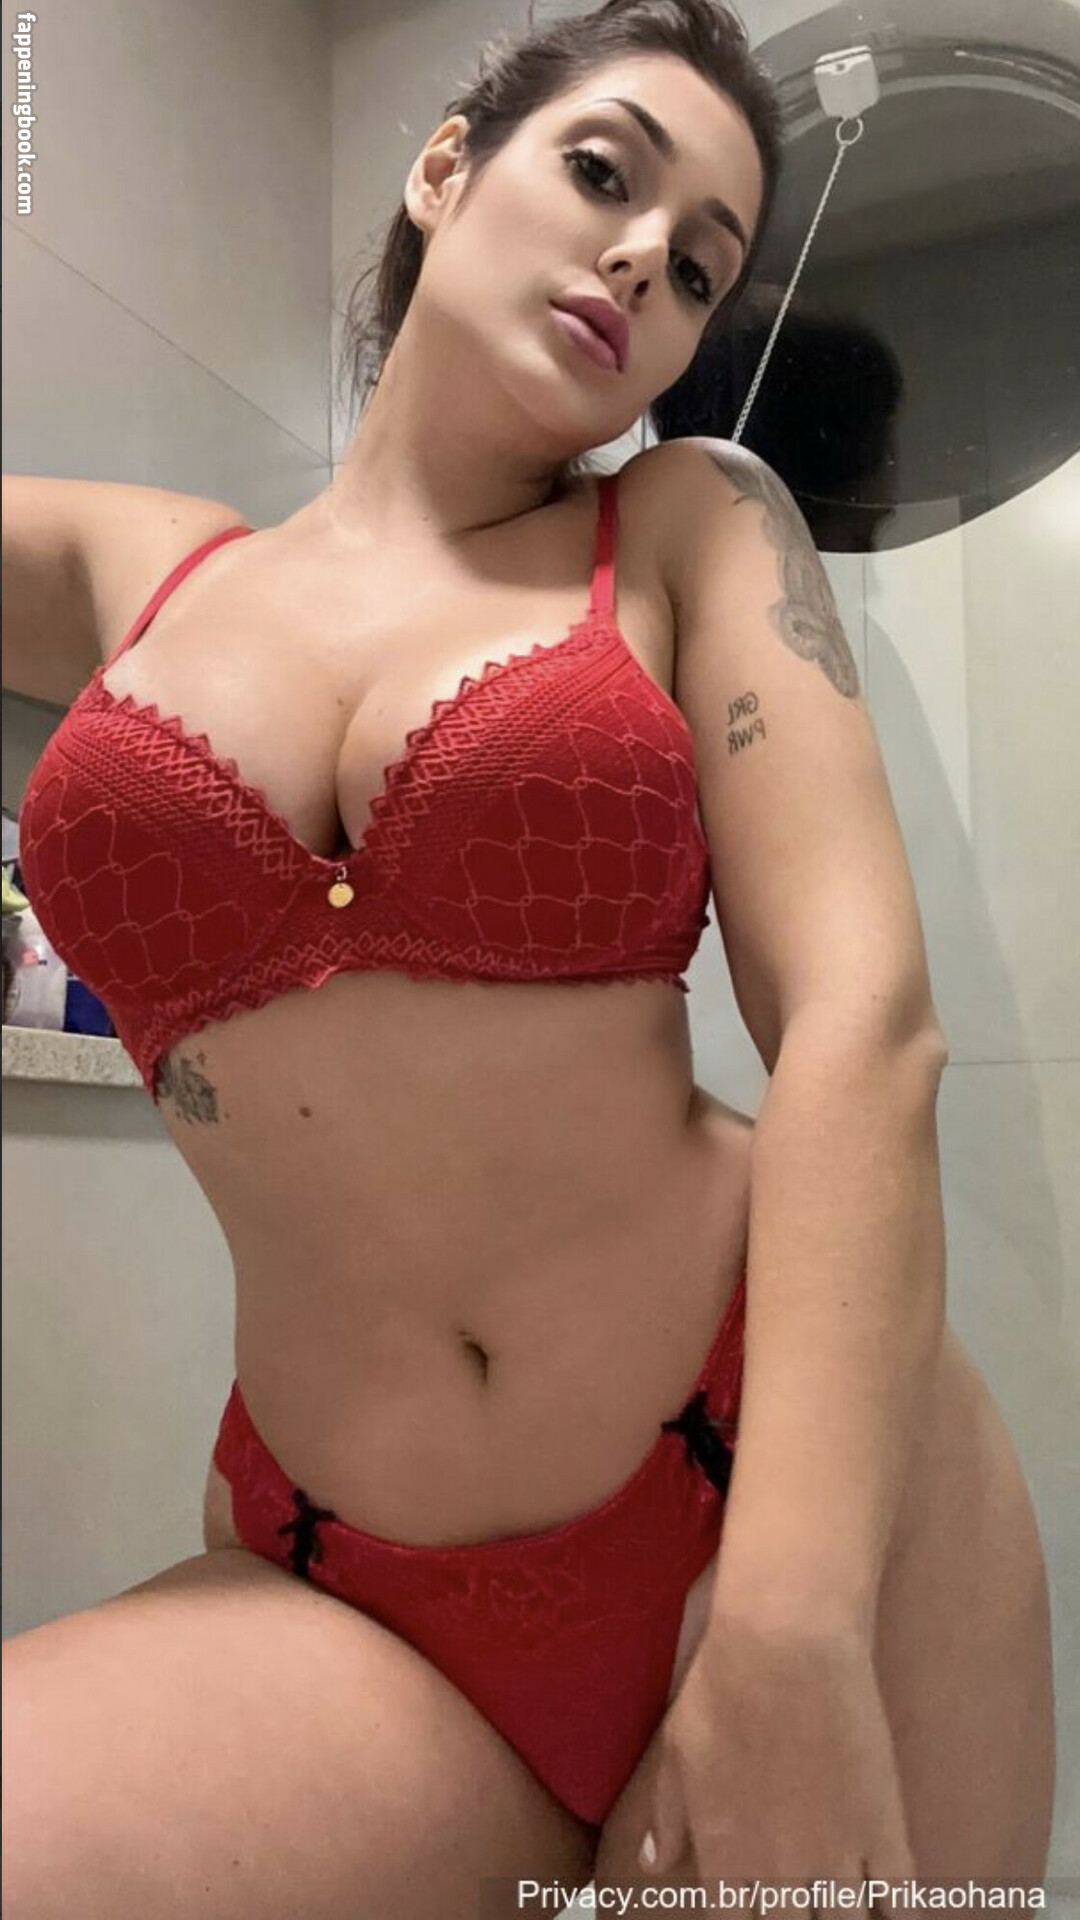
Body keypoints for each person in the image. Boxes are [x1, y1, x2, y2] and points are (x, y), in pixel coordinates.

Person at [1, 2, 1055, 1914]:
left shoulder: (685, 523)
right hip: (344, 1574)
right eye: (602, 172)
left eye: (701, 268)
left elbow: (862, 1024)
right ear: (444, 169)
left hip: (792, 1501)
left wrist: (793, 1623)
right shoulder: (146, 571)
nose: (645, 259)